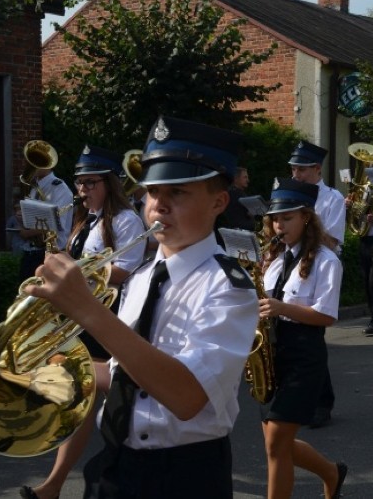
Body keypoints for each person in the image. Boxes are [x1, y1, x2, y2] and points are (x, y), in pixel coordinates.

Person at [25, 115, 258, 498]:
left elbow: (186, 396)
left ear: (218, 202)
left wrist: (88, 310)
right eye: (152, 193)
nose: (158, 206)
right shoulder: (144, 277)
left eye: (178, 193)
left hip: (183, 475)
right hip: (116, 463)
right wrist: (61, 366)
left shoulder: (228, 287)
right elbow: (129, 374)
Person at [21, 145, 146, 499]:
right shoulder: (82, 220)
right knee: (79, 398)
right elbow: (72, 260)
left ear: (108, 183)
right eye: (79, 183)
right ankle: (56, 484)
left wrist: (78, 274)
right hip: (79, 314)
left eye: (91, 183)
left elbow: (127, 270)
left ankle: (60, 483)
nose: (83, 190)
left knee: (89, 394)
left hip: (107, 316)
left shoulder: (124, 219)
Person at [258, 177, 346, 499]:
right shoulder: (276, 260)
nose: (279, 225)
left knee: (275, 446)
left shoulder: (326, 260)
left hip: (304, 357)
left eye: (287, 218)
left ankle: (331, 474)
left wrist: (282, 307)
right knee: (276, 441)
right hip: (272, 356)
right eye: (275, 219)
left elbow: (327, 316)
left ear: (305, 217)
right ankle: (331, 473)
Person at [288, 140, 345, 428]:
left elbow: (333, 240)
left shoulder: (332, 198)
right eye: (293, 169)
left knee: (314, 336)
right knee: (295, 337)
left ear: (316, 169)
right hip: (294, 264)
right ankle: (305, 398)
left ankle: (323, 401)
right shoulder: (291, 195)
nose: (296, 174)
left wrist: (306, 225)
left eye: (301, 169)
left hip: (320, 265)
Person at [18, 161, 74, 280]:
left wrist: (27, 233)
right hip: (31, 251)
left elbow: (56, 223)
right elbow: (33, 219)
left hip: (51, 254)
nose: (31, 165)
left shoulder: (59, 188)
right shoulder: (34, 188)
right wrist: (22, 218)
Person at [222, 166, 255, 231]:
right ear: (236, 179)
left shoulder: (229, 192)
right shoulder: (237, 194)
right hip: (244, 230)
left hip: (232, 229)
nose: (248, 180)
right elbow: (251, 213)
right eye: (245, 177)